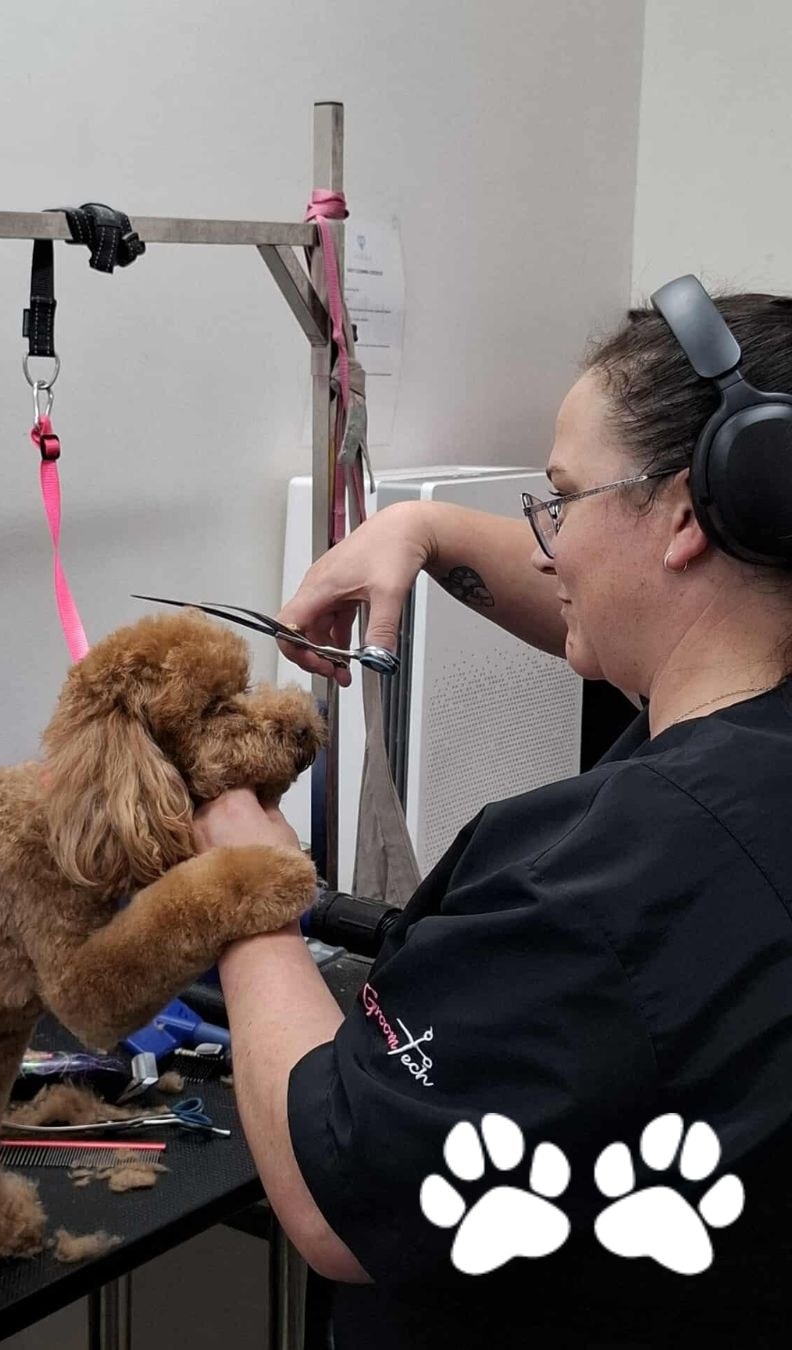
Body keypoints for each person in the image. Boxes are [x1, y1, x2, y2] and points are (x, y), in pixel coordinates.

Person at [193, 288, 792, 1348]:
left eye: (559, 499)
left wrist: (247, 887)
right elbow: (621, 607)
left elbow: (341, 1200)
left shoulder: (604, 882)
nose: (546, 546)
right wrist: (419, 529)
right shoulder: (754, 738)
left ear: (695, 514)